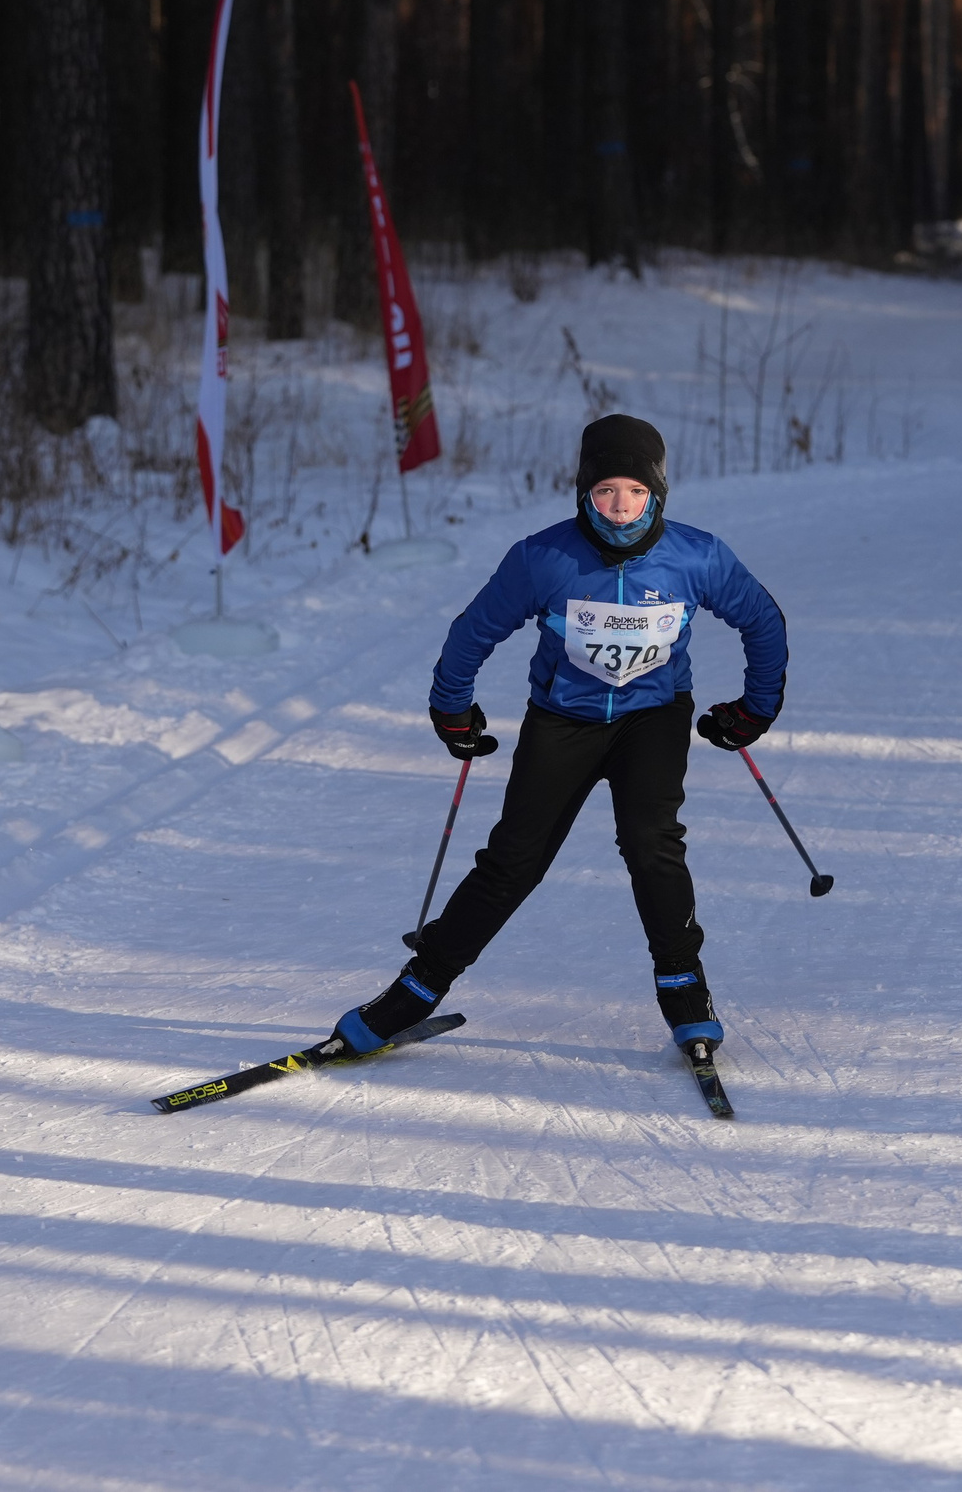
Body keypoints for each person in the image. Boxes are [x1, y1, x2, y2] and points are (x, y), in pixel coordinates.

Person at [329, 414, 789, 1062]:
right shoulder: (543, 558)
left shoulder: (697, 555)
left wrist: (754, 709)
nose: (621, 507)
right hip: (562, 719)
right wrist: (452, 710)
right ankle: (415, 989)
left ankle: (685, 989)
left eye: (635, 491)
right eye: (605, 491)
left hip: (652, 717)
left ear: (658, 493)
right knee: (513, 860)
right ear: (583, 493)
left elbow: (762, 621)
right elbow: (473, 632)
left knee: (652, 845)